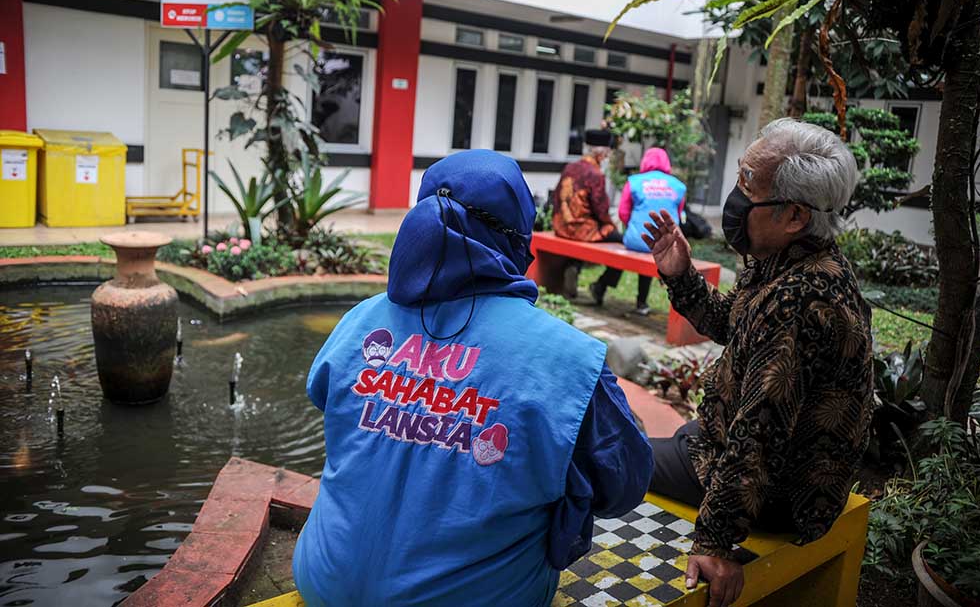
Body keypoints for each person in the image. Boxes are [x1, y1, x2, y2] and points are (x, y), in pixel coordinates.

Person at [292, 149, 653, 607]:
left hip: (323, 584)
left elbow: (328, 400)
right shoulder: (568, 359)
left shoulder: (361, 321)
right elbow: (623, 485)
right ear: (517, 238)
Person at [641, 119, 874, 607]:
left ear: (795, 215)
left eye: (748, 184)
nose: (735, 197)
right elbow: (733, 324)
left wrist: (714, 544)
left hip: (779, 496)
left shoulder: (800, 300)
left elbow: (759, 434)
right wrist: (680, 275)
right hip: (746, 451)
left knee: (617, 453)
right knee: (679, 437)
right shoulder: (793, 261)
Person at [614, 147, 687, 316]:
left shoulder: (634, 182)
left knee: (644, 243)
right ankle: (641, 302)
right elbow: (677, 215)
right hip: (667, 244)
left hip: (636, 240)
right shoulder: (679, 186)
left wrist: (633, 227)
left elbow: (623, 213)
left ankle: (601, 287)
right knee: (654, 246)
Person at [552, 129, 622, 299]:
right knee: (621, 240)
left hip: (561, 226)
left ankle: (573, 266)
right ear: (601, 153)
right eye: (607, 153)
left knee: (590, 231)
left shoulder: (570, 167)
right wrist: (611, 225)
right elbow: (601, 209)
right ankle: (602, 284)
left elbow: (556, 197)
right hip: (582, 230)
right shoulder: (596, 174)